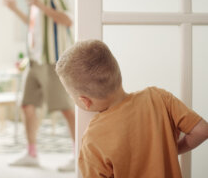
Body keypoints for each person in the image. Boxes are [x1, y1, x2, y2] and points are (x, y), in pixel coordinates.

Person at [55, 39, 208, 178]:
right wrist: (171, 151)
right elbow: (202, 130)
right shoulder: (158, 97)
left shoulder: (92, 139)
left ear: (85, 101)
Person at [3, 0, 75, 172]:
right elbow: (36, 26)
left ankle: (77, 153)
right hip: (34, 61)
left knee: (65, 108)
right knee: (27, 106)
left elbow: (68, 20)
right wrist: (15, 9)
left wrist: (41, 6)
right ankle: (32, 153)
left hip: (53, 61)